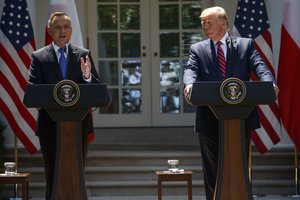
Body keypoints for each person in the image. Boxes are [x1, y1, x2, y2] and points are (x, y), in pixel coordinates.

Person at [183, 6, 279, 200]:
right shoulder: (198, 49)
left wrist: (269, 83)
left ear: (223, 23)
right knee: (212, 169)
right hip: (209, 119)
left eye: (209, 22)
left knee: (238, 164)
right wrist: (189, 84)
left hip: (240, 119)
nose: (205, 26)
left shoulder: (246, 45)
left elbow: (260, 66)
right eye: (203, 23)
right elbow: (190, 70)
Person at [28, 12, 101, 199]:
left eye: (66, 27)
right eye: (58, 27)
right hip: (50, 126)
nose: (62, 31)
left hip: (79, 125)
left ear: (71, 30)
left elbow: (97, 91)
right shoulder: (39, 57)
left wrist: (87, 77)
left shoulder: (83, 56)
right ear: (49, 30)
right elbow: (33, 91)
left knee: (77, 172)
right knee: (52, 174)